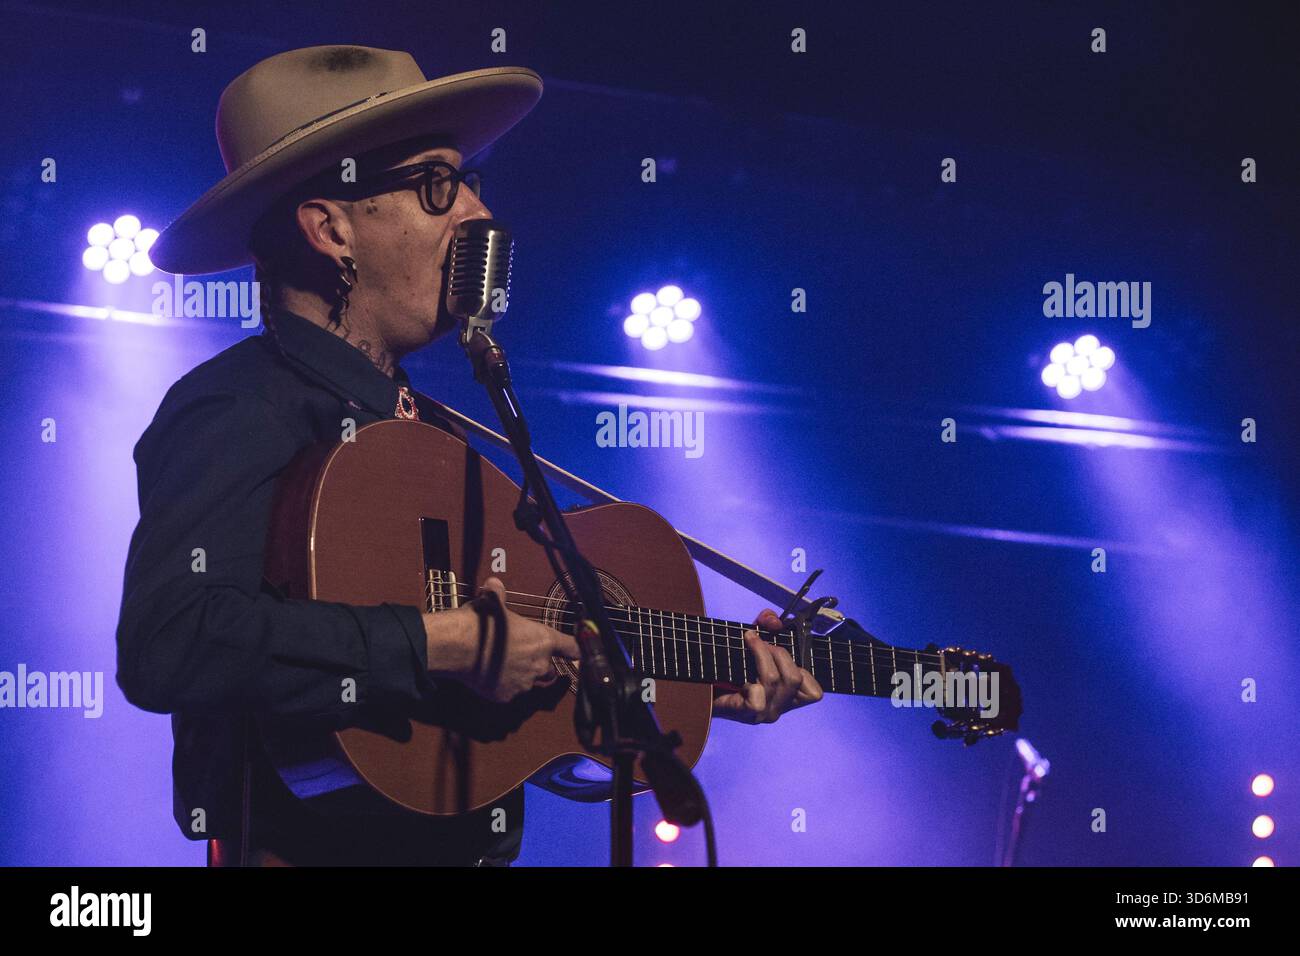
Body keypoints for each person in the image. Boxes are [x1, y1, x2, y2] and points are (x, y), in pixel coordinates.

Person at [116, 44, 823, 867]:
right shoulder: (242, 404)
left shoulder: (437, 436)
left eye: (471, 181)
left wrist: (678, 686)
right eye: (436, 186)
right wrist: (444, 644)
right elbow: (172, 642)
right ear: (331, 228)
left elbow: (499, 693)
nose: (475, 218)